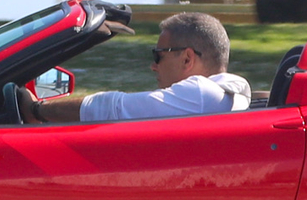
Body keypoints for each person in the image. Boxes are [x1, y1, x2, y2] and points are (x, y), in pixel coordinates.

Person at [23, 11, 251, 121]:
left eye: (158, 55)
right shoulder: (235, 93)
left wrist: (36, 110)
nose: (153, 66)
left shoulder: (201, 95)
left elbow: (111, 108)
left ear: (187, 59)